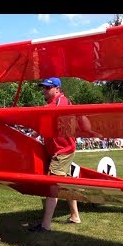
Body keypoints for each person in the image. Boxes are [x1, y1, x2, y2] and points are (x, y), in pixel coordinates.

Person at [29, 77, 81, 232]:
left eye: (47, 88)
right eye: (43, 88)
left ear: (57, 89)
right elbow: (46, 124)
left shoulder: (60, 103)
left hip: (62, 151)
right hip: (59, 150)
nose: (44, 90)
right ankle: (75, 216)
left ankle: (45, 226)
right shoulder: (56, 103)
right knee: (66, 183)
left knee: (53, 185)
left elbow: (50, 117)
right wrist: (33, 134)